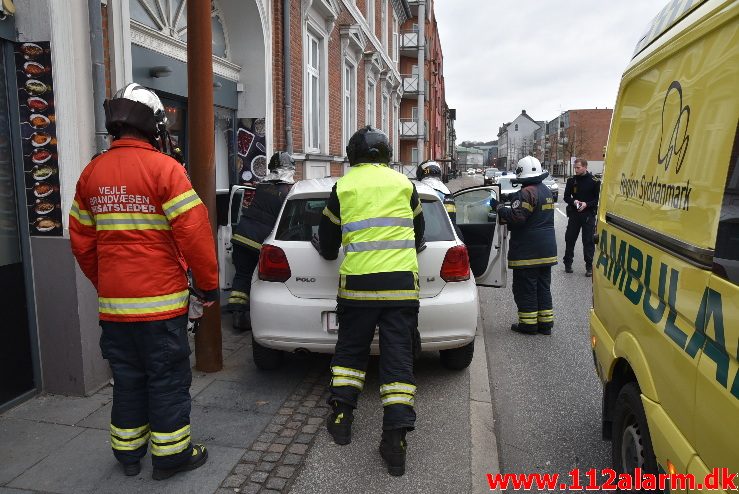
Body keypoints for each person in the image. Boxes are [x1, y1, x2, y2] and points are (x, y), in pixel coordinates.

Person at [69, 83, 218, 480]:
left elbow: (82, 243)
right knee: (167, 379)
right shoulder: (166, 170)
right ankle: (171, 458)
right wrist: (208, 285)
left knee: (128, 380)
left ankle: (129, 455)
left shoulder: (92, 173)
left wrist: (107, 284)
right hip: (161, 307)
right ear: (154, 126)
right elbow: (195, 235)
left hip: (115, 309)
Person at [316, 126, 424, 476]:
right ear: (386, 153)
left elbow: (328, 237)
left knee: (350, 355)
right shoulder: (405, 185)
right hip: (401, 289)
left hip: (358, 289)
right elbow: (419, 233)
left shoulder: (343, 187)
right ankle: (395, 442)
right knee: (398, 363)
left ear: (353, 155)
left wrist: (331, 251)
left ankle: (342, 418)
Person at [227, 152, 295, 329]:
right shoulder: (288, 191)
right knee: (263, 281)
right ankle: (262, 318)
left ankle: (237, 315)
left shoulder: (262, 186)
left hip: (241, 237)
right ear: (289, 170)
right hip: (260, 242)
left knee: (242, 275)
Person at [495, 156, 557, 335]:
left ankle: (528, 324)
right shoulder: (545, 191)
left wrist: (500, 208)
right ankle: (545, 324)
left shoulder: (526, 193)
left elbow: (517, 219)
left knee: (526, 287)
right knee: (543, 287)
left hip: (528, 251)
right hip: (547, 250)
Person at [563, 158, 600, 277]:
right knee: (570, 239)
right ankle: (568, 263)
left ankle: (589, 267)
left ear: (585, 167)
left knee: (588, 241)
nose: (576, 170)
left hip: (588, 215)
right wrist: (574, 202)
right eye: (575, 167)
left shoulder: (594, 181)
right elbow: (566, 197)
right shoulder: (571, 181)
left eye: (578, 167)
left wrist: (586, 204)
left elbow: (597, 199)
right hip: (574, 214)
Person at [416, 160, 457, 225]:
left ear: (420, 173)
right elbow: (452, 219)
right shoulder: (447, 192)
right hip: (447, 231)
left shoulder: (418, 189)